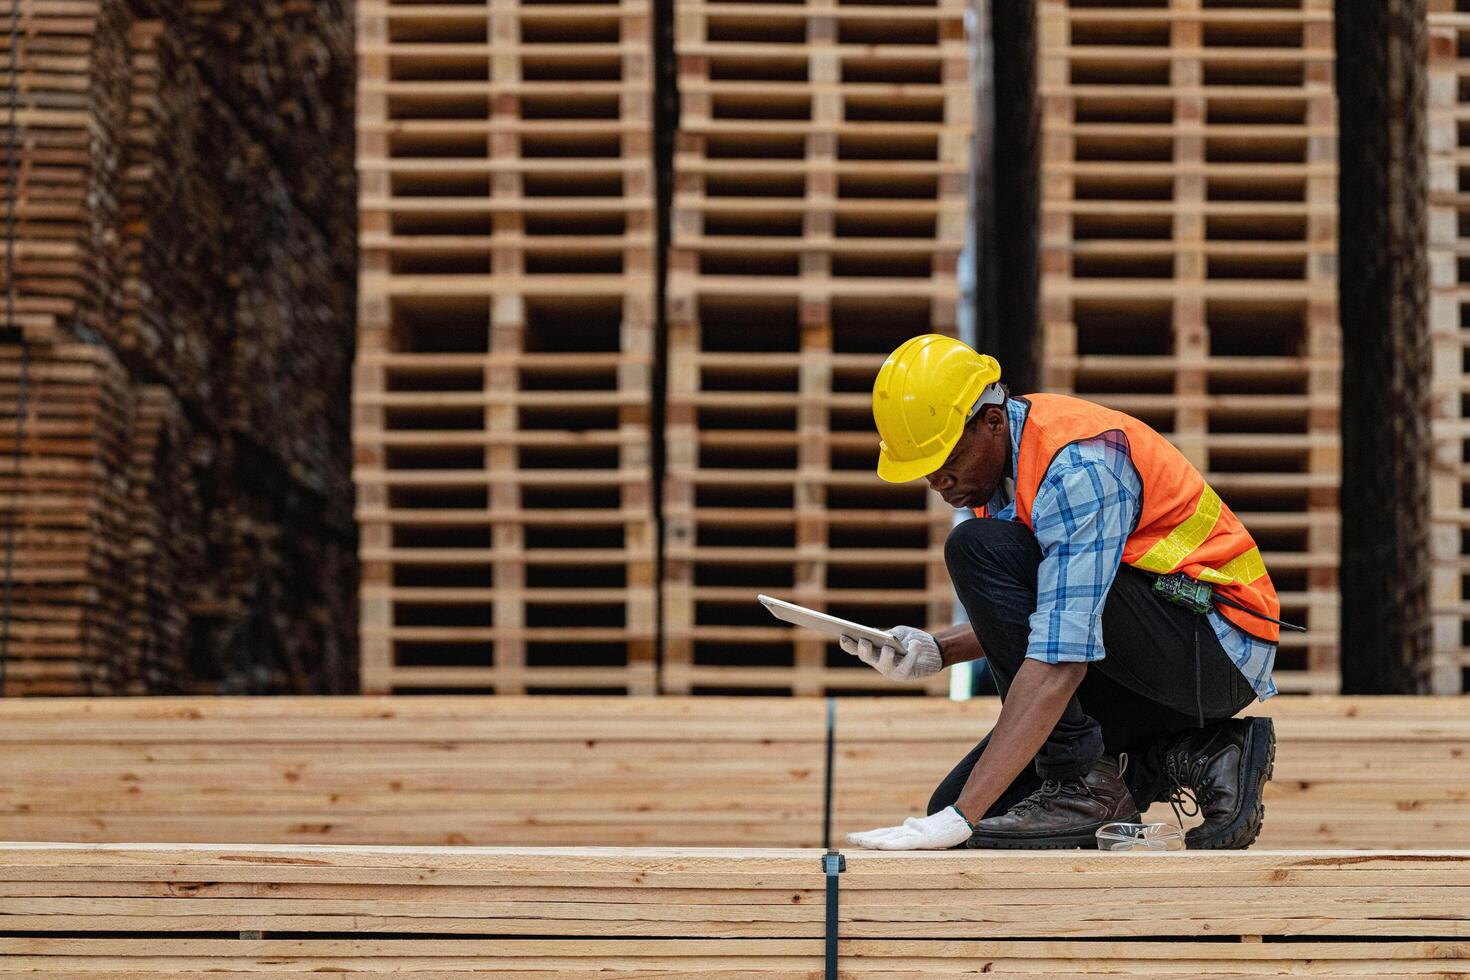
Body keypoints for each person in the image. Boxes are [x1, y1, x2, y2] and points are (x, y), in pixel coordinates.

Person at [843, 335, 1282, 851]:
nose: (941, 482)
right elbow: (1056, 605)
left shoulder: (1077, 468)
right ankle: (1194, 754)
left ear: (991, 421)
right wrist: (938, 652)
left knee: (975, 548)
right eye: (926, 472)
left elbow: (1062, 656)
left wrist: (963, 816)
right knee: (976, 807)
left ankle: (1082, 785)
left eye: (947, 459)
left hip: (1210, 650)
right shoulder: (1000, 477)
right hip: (1149, 662)